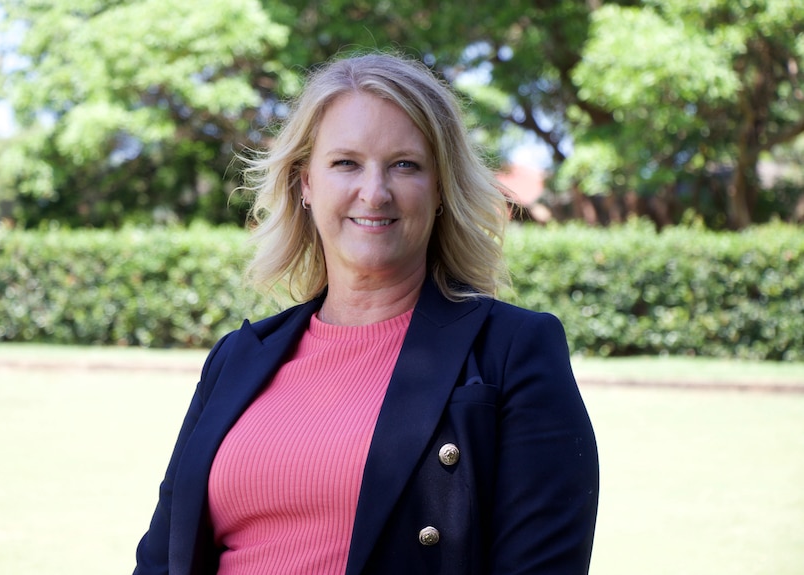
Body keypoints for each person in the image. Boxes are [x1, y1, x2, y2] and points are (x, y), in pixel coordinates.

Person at [133, 51, 599, 575]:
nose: (374, 193)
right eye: (345, 163)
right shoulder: (235, 358)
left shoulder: (513, 351)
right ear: (305, 183)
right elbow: (160, 558)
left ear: (441, 188)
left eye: (405, 164)